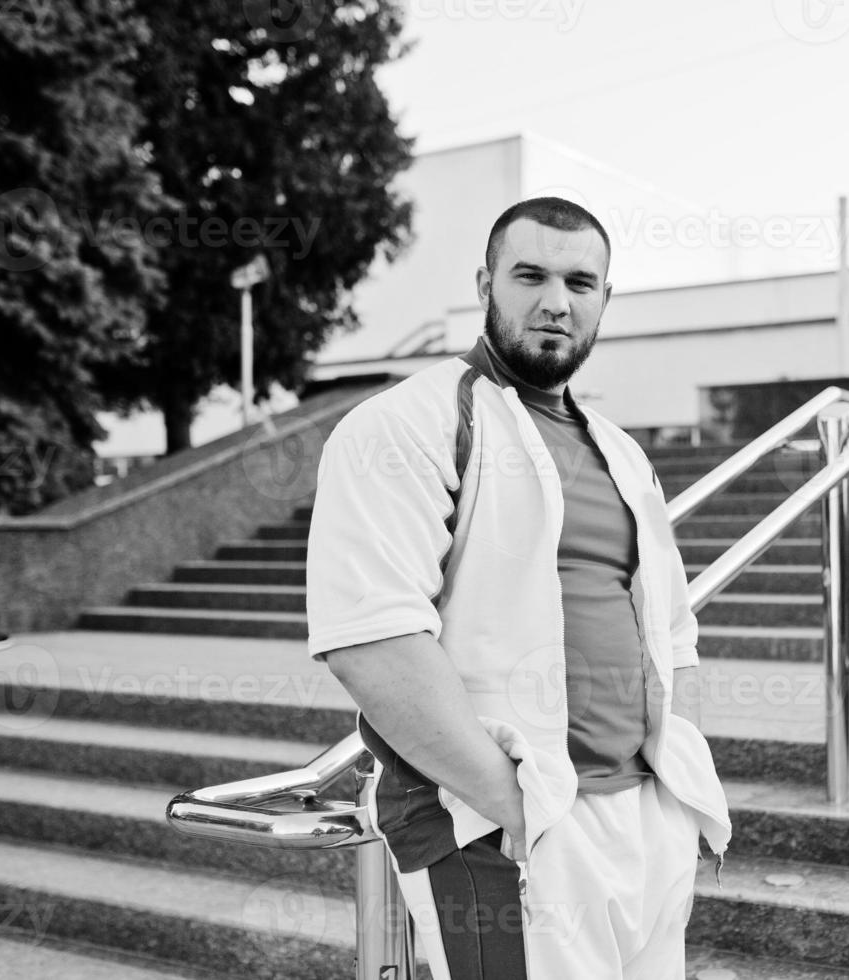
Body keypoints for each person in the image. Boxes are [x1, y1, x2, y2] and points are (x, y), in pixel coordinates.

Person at [306, 197, 731, 980]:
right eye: (529, 275)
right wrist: (521, 808)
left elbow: (672, 636)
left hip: (643, 817)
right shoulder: (404, 424)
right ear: (485, 283)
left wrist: (678, 785)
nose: (555, 301)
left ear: (606, 300)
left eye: (580, 281)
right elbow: (372, 641)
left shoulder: (620, 452)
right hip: (505, 825)